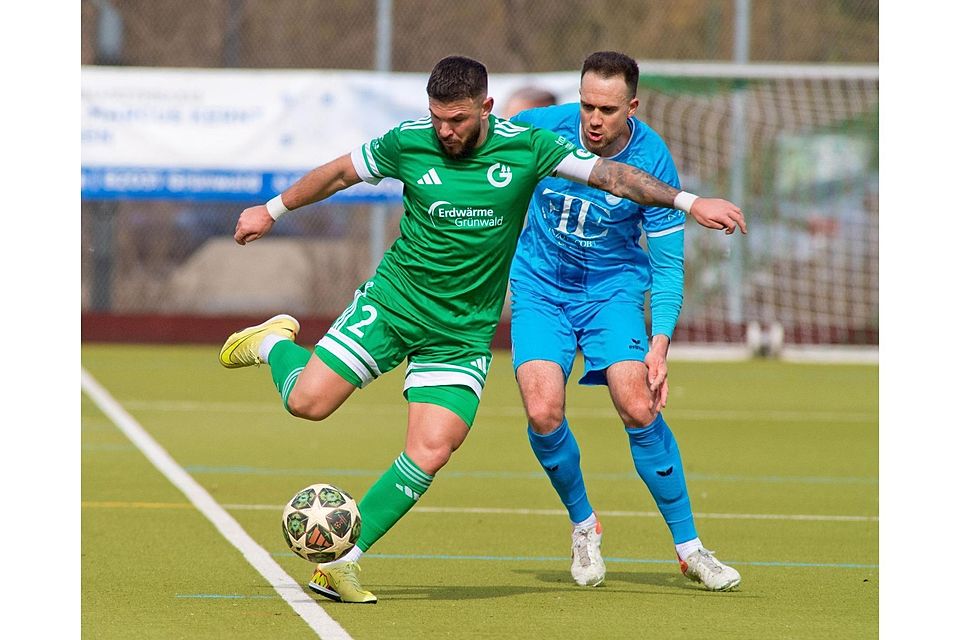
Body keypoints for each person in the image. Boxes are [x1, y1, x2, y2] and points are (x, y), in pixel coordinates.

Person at [218, 55, 746, 604]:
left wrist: (688, 202)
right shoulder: (408, 141)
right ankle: (276, 342)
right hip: (397, 304)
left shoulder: (526, 146)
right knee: (307, 404)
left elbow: (617, 176)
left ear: (486, 109)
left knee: (433, 447)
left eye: (458, 120)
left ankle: (343, 564)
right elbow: (337, 174)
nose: (445, 131)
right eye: (438, 118)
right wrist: (272, 209)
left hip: (464, 333)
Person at [508, 51, 742, 591]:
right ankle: (584, 524)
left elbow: (666, 265)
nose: (593, 119)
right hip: (541, 288)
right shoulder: (540, 129)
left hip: (611, 291)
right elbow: (480, 148)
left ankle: (690, 549)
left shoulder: (654, 160)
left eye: (607, 110)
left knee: (637, 403)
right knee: (543, 411)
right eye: (587, 104)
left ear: (631, 106)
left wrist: (659, 345)